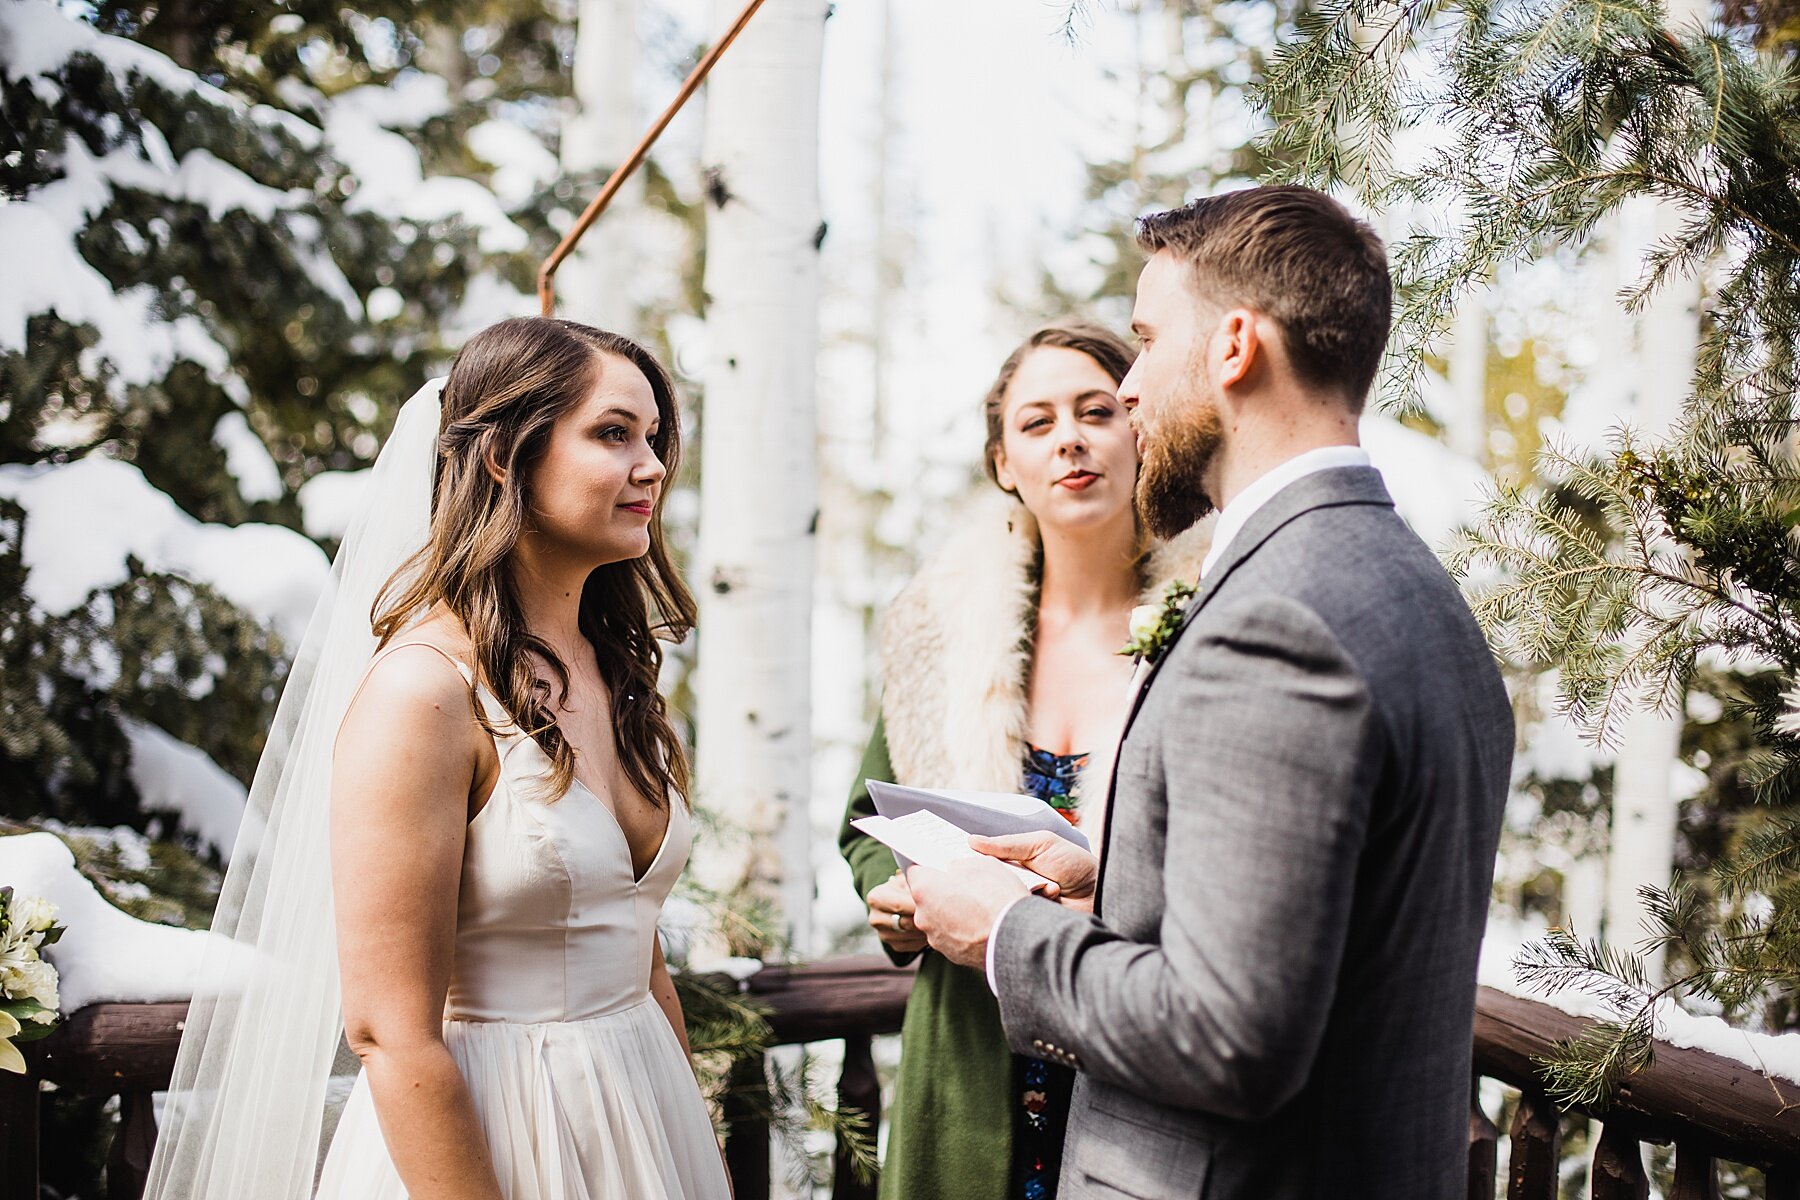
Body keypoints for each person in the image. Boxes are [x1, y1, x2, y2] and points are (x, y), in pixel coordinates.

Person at [906, 186, 1514, 1199]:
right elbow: (1345, 915)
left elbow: (1228, 1038)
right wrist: (1120, 881)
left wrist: (1005, 929)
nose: (1132, 386)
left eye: (1147, 341)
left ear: (1234, 346)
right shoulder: (1407, 583)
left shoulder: (1280, 622)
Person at [145, 318, 730, 1200]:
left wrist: (698, 1155)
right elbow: (388, 1031)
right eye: (614, 434)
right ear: (503, 456)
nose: (652, 465)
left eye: (653, 438)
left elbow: (643, 963)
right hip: (495, 1135)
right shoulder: (425, 692)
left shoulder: (614, 672)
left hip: (646, 1121)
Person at [838, 320, 1210, 1200]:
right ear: (1004, 460)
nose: (1071, 439)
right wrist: (891, 901)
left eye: (1097, 412)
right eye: (1037, 424)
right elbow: (864, 823)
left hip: (1136, 1050)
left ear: (1140, 430)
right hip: (969, 1051)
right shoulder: (937, 628)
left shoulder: (1210, 621)